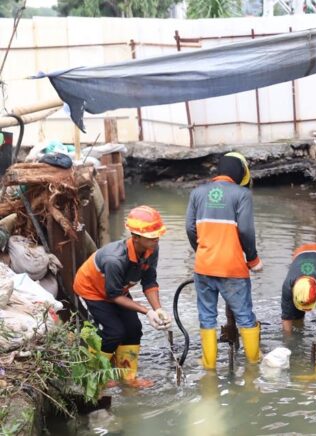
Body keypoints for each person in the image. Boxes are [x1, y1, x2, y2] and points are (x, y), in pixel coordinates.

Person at [74, 205, 171, 388]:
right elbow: (114, 295)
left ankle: (128, 376)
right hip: (92, 291)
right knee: (114, 332)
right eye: (151, 237)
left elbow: (149, 282)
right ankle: (96, 375)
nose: (156, 240)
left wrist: (158, 309)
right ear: (135, 237)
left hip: (117, 290)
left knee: (134, 328)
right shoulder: (115, 260)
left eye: (157, 235)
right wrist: (146, 311)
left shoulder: (151, 250)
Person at [186, 151, 264, 370]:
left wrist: (202, 251)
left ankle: (209, 368)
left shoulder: (197, 193)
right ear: (240, 174)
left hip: (204, 267)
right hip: (232, 269)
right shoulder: (242, 194)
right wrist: (253, 259)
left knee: (207, 317)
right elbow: (247, 230)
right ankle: (253, 366)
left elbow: (190, 229)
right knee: (245, 318)